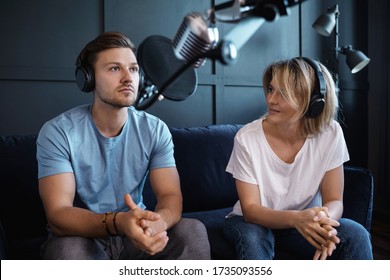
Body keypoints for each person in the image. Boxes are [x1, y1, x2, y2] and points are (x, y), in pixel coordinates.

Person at [36, 31, 210, 260]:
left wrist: (158, 225)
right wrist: (118, 222)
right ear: (88, 78)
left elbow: (170, 195)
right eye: (115, 68)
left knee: (192, 230)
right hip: (83, 235)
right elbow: (58, 214)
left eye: (134, 69)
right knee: (68, 250)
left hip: (136, 232)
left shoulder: (156, 130)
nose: (128, 77)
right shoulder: (58, 132)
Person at [223, 57, 373, 260]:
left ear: (314, 101)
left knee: (356, 234)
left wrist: (323, 223)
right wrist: (297, 219)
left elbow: (335, 200)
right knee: (253, 237)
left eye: (282, 93)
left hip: (304, 222)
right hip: (253, 222)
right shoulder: (246, 138)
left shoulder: (331, 133)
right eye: (270, 89)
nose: (271, 100)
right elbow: (251, 210)